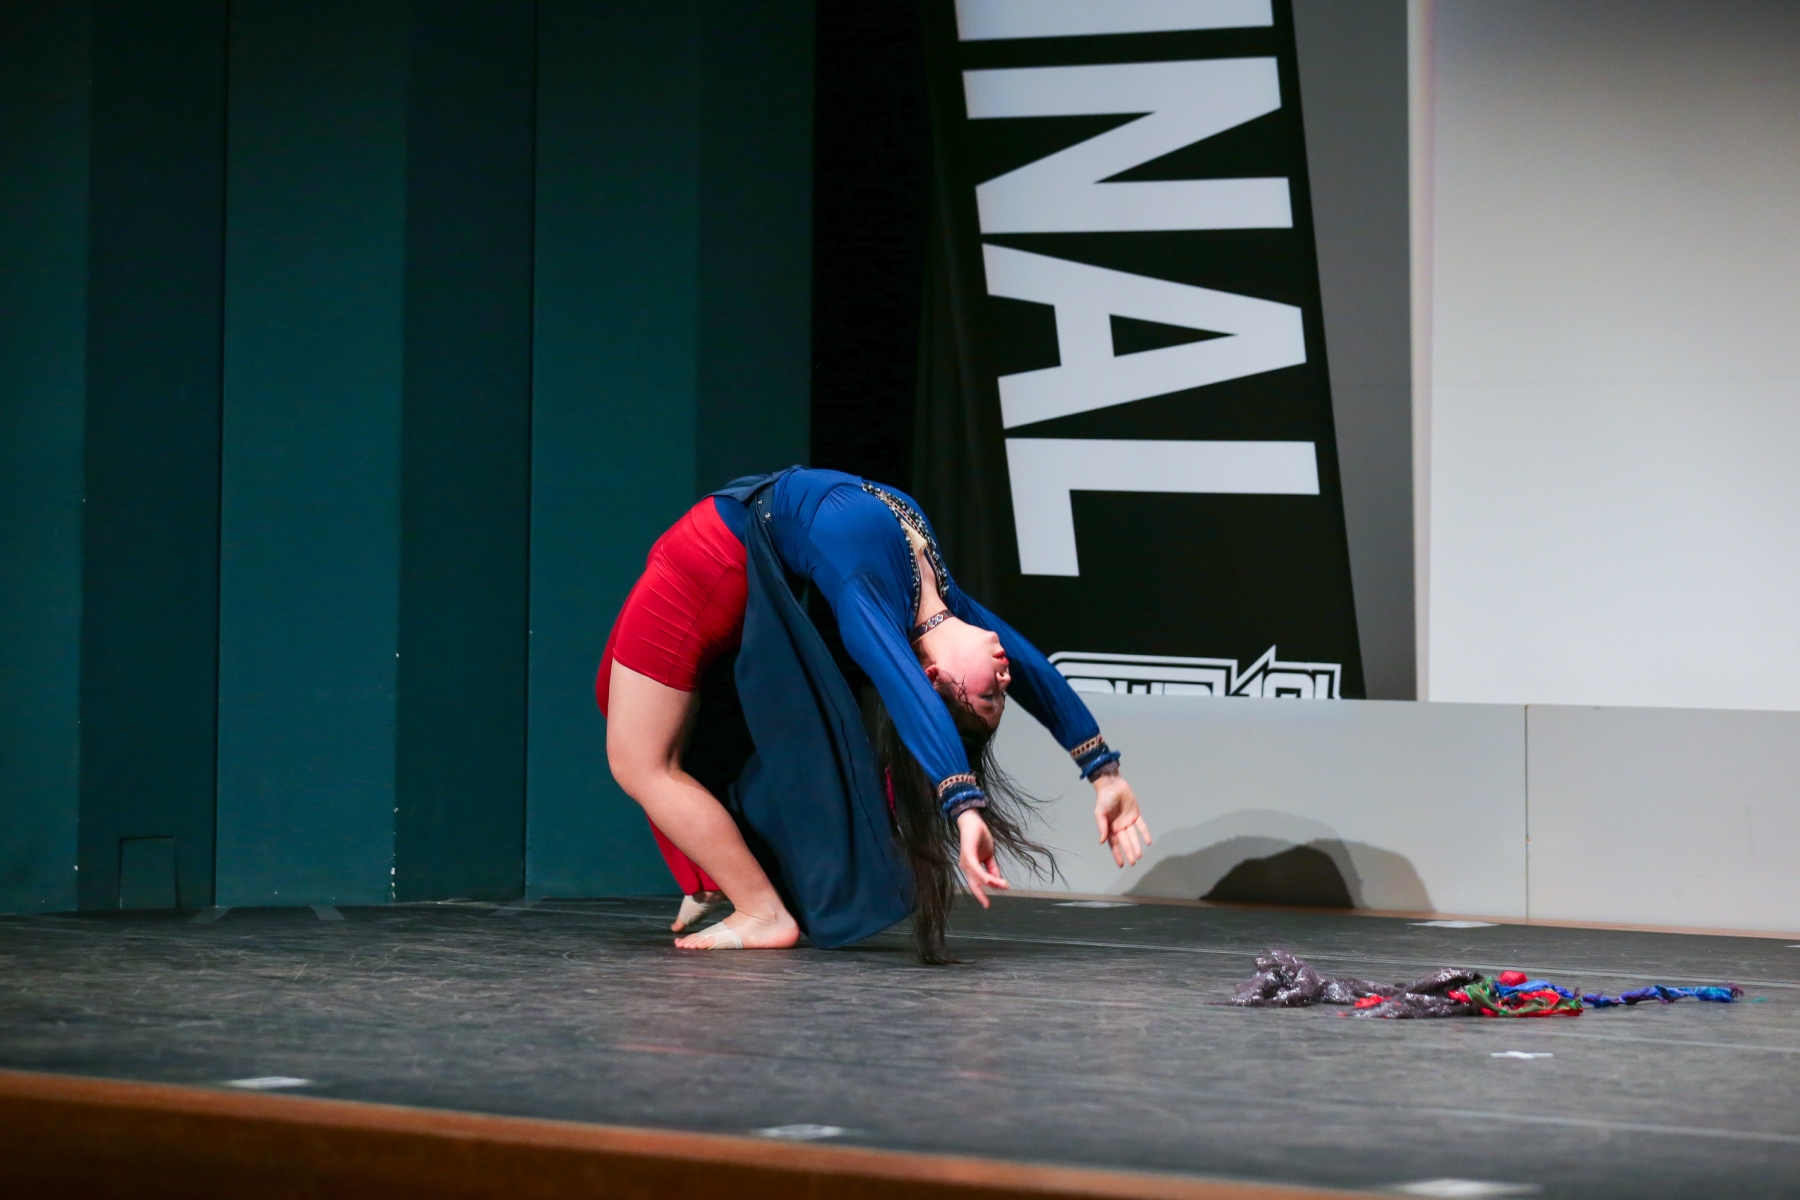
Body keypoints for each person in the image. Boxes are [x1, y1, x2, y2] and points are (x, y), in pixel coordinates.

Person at [597, 467, 1150, 960]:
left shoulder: (870, 605)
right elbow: (1032, 666)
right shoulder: (937, 599)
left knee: (638, 762)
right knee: (611, 692)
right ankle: (710, 874)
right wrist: (1104, 774)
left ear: (933, 678)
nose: (1004, 683)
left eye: (988, 699)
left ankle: (761, 910)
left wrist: (964, 808)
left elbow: (908, 697)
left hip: (701, 572)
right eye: (1000, 696)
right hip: (706, 551)